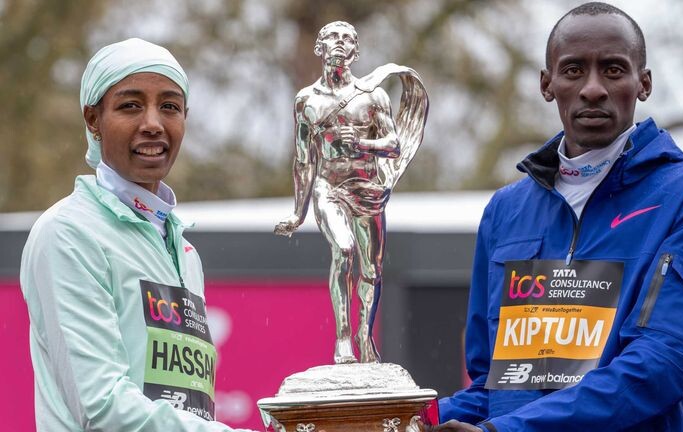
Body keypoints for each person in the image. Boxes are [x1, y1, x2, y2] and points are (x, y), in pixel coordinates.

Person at [433, 3, 683, 431]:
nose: (593, 88)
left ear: (643, 83)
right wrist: (394, 419)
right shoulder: (505, 211)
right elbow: (493, 389)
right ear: (547, 84)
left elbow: (663, 363)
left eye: (614, 70)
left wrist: (509, 429)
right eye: (574, 70)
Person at [20, 38, 256, 431]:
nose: (153, 123)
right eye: (130, 105)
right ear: (93, 120)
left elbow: (186, 408)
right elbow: (103, 407)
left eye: (170, 107)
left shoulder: (183, 249)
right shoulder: (69, 233)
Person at [274, 21, 427, 364]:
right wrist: (297, 213)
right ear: (320, 47)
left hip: (367, 189)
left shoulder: (373, 96)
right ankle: (343, 339)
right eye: (332, 37)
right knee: (343, 250)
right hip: (328, 188)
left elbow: (394, 144)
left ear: (356, 52)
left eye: (347, 39)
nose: (340, 43)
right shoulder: (306, 101)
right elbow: (304, 159)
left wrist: (361, 143)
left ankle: (364, 334)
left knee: (372, 270)